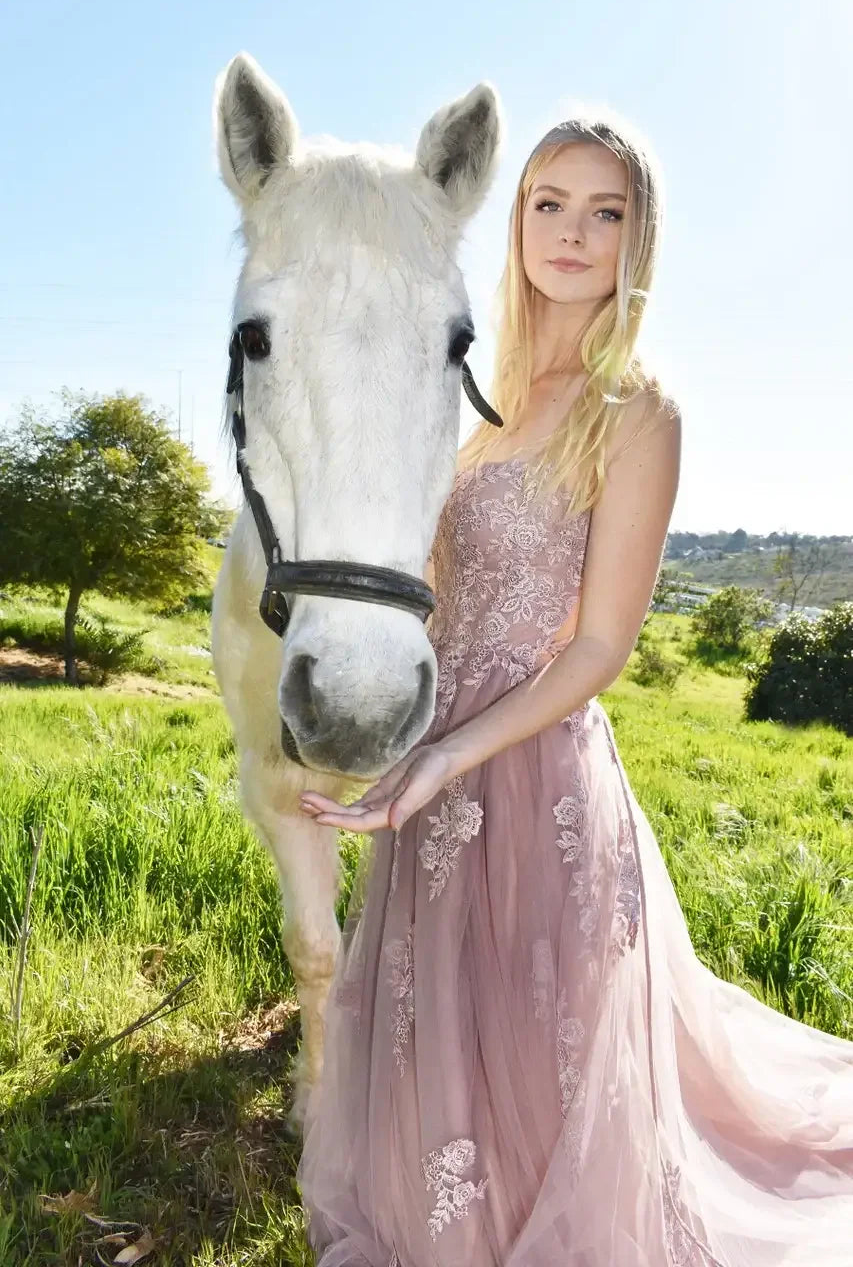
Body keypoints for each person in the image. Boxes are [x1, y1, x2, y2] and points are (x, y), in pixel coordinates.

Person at [295, 112, 853, 1266]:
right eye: (549, 200)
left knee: (535, 1031)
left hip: (532, 758)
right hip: (433, 738)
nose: (572, 231)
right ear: (516, 217)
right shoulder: (477, 393)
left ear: (636, 241)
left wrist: (455, 751)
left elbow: (600, 645)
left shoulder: (636, 408)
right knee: (433, 1020)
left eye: (607, 211)